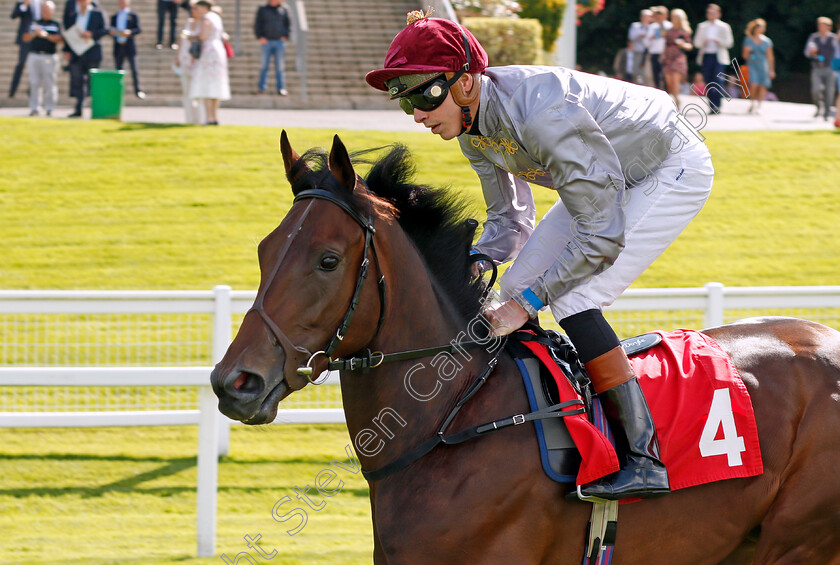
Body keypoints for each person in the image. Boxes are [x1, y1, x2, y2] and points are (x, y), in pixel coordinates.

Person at [366, 13, 715, 501]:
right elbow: (511, 219)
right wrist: (479, 260)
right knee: (514, 286)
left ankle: (644, 457)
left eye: (423, 94)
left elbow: (601, 238)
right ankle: (549, 415)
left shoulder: (541, 115)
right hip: (601, 181)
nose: (417, 113)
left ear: (465, 82)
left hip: (666, 166)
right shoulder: (471, 130)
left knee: (574, 296)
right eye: (404, 100)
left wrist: (530, 302)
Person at [188, 0, 229, 125]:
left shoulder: (205, 18)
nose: (197, 10)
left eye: (198, 7)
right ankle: (214, 117)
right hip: (218, 50)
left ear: (204, 7)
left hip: (208, 51)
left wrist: (191, 36)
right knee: (216, 84)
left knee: (207, 85)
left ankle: (209, 118)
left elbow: (202, 36)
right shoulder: (216, 16)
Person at [63, 0, 107, 118]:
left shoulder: (97, 13)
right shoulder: (73, 15)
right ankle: (79, 108)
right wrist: (66, 50)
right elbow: (69, 34)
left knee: (93, 82)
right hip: (77, 53)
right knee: (77, 81)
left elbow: (105, 30)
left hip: (92, 52)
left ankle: (96, 108)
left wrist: (91, 34)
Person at [692, 4, 733, 114]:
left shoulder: (724, 26)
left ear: (718, 14)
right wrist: (703, 42)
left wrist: (718, 41)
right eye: (709, 13)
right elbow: (696, 43)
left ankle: (717, 105)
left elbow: (729, 43)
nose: (710, 15)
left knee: (718, 80)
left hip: (718, 57)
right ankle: (711, 106)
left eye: (713, 13)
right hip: (706, 56)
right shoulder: (702, 26)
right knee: (709, 81)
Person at [22, 0, 61, 115]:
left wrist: (46, 35)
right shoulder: (34, 22)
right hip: (34, 55)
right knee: (34, 82)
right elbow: (25, 37)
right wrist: (35, 34)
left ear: (52, 11)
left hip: (49, 56)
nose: (45, 12)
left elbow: (60, 39)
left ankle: (50, 108)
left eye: (47, 10)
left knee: (50, 83)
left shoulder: (56, 24)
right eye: (43, 9)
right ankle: (35, 108)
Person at [173, 1, 204, 123]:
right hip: (185, 58)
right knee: (186, 91)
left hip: (197, 60)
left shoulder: (204, 23)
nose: (193, 11)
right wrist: (177, 56)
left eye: (196, 8)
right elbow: (181, 42)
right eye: (192, 9)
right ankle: (189, 119)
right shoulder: (188, 23)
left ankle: (201, 119)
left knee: (198, 91)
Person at [804, 17, 838, 121]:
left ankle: (827, 111)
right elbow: (807, 52)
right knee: (816, 89)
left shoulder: (834, 38)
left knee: (829, 91)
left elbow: (837, 53)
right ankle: (818, 107)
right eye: (819, 25)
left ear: (829, 27)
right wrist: (811, 52)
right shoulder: (813, 38)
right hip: (817, 67)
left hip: (830, 68)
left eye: (823, 25)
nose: (820, 27)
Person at [254, 0, 291, 95]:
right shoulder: (263, 9)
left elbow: (288, 24)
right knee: (264, 66)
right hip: (267, 41)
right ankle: (261, 88)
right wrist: (260, 36)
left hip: (279, 41)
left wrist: (285, 35)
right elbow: (258, 24)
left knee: (280, 66)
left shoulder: (284, 9)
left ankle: (281, 87)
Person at [109, 0, 145, 99]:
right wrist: (112, 32)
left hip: (129, 45)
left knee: (134, 68)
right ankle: (117, 90)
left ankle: (138, 89)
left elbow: (138, 29)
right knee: (118, 69)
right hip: (118, 45)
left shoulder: (133, 15)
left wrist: (129, 32)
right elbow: (110, 29)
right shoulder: (114, 16)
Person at [743, 19, 774, 115]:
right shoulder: (748, 40)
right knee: (753, 84)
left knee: (763, 85)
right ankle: (752, 103)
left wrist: (772, 70)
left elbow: (770, 56)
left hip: (763, 65)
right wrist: (748, 51)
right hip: (752, 64)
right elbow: (744, 55)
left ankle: (759, 105)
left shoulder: (767, 41)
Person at [10, 0, 41, 98]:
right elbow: (13, 16)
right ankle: (13, 90)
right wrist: (25, 5)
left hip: (38, 38)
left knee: (37, 66)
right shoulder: (22, 3)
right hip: (25, 38)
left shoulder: (43, 2)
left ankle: (32, 91)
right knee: (21, 63)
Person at [663, 8, 692, 110]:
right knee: (669, 82)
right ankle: (676, 99)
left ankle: (676, 104)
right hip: (668, 58)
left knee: (675, 81)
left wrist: (682, 44)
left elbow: (690, 46)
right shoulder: (669, 31)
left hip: (678, 58)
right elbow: (666, 44)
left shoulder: (684, 31)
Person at [645, 6, 671, 90]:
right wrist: (652, 38)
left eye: (661, 16)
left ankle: (667, 91)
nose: (660, 18)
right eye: (658, 17)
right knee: (656, 75)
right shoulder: (652, 27)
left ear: (665, 16)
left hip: (667, 54)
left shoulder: (669, 26)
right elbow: (646, 42)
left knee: (666, 75)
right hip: (655, 53)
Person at [627, 9, 651, 85]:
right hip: (638, 51)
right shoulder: (635, 26)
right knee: (636, 70)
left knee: (646, 72)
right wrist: (639, 36)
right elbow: (631, 37)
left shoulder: (653, 27)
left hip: (649, 52)